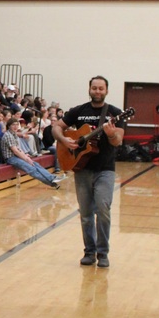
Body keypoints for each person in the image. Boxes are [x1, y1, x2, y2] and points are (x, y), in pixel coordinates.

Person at [52, 76, 124, 269]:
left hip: (105, 170)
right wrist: (65, 140)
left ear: (107, 91)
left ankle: (103, 253)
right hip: (81, 169)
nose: (97, 91)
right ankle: (89, 252)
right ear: (89, 89)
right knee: (85, 213)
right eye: (94, 88)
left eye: (101, 88)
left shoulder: (115, 113)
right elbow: (57, 127)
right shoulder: (79, 111)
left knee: (103, 210)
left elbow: (118, 141)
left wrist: (111, 135)